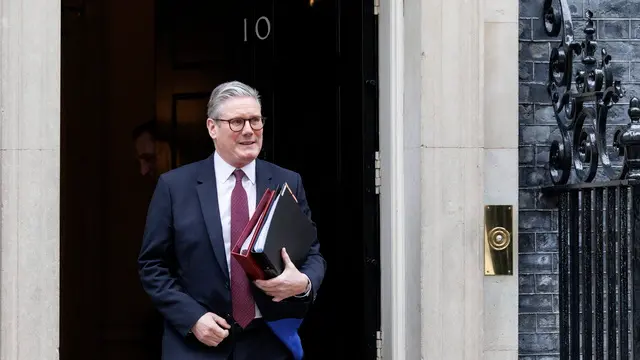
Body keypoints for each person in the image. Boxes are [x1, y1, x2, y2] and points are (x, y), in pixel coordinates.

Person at [138, 80, 326, 360]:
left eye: (255, 120)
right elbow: (152, 266)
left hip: (270, 342)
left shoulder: (288, 181)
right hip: (198, 346)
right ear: (212, 128)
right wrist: (192, 318)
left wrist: (304, 283)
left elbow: (312, 254)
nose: (249, 130)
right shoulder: (175, 187)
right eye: (237, 122)